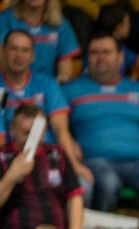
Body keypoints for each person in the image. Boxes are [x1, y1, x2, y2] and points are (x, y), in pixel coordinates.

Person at [63, 33, 139, 212]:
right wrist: (71, 145)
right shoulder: (71, 90)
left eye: (107, 52)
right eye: (94, 52)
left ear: (120, 57)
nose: (100, 57)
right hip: (95, 162)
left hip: (136, 163)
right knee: (108, 182)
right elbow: (57, 128)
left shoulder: (138, 89)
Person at [0, 104, 112, 229]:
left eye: (37, 133)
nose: (33, 140)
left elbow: (74, 197)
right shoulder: (2, 157)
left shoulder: (57, 154)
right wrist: (11, 176)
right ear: (13, 130)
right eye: (26, 133)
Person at [1, 30, 88, 182]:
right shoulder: (0, 90)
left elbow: (61, 130)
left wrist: (73, 166)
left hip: (49, 155)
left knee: (84, 185)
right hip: (12, 158)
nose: (19, 55)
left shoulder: (47, 84)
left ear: (32, 55)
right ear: (3, 52)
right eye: (13, 49)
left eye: (25, 50)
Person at [0, 0, 78, 81]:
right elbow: (2, 61)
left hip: (46, 85)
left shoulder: (60, 23)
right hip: (12, 83)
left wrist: (55, 86)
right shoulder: (5, 19)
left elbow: (65, 67)